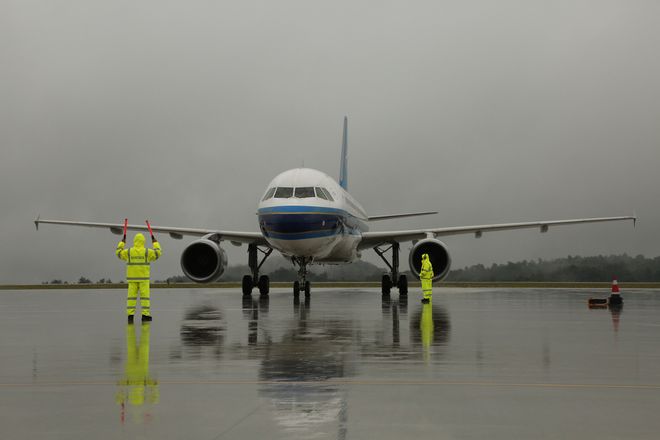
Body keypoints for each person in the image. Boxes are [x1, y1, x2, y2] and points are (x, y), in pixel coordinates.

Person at [116, 233, 161, 322]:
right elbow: (158, 253)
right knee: (145, 298)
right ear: (143, 241)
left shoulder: (129, 252)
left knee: (131, 298)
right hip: (144, 279)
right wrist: (155, 243)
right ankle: (145, 315)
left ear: (134, 241)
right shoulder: (147, 252)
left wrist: (122, 243)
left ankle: (130, 316)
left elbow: (118, 253)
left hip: (132, 279)